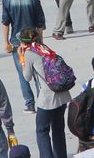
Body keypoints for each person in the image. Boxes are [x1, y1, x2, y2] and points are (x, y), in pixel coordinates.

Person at [20, 30, 71, 158]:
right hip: (62, 94)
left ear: (23, 43)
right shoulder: (45, 48)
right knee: (58, 130)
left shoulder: (29, 53)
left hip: (48, 99)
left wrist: (22, 60)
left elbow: (27, 77)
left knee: (42, 131)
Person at [1, 0, 46, 113]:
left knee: (23, 73)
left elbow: (5, 22)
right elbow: (40, 22)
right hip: (34, 41)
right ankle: (41, 100)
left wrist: (6, 42)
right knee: (39, 71)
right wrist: (41, 41)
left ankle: (30, 104)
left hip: (17, 42)